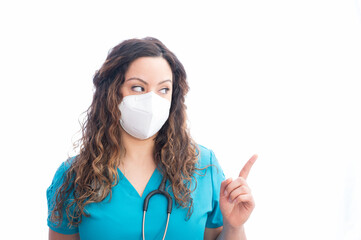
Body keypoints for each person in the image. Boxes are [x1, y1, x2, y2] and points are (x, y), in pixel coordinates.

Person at [46, 37, 257, 240]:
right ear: (112, 92)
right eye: (138, 88)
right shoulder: (74, 177)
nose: (152, 100)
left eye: (163, 89)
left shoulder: (203, 167)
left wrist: (234, 226)